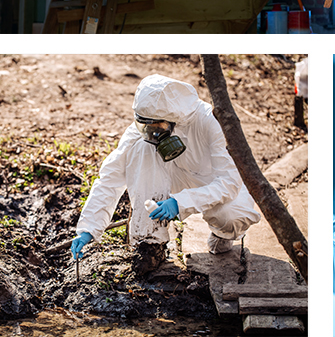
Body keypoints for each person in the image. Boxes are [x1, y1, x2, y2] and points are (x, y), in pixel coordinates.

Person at [70, 74, 261, 273]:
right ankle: (150, 243)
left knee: (231, 217)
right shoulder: (149, 122)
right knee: (141, 148)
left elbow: (230, 181)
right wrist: (88, 229)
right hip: (173, 176)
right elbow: (110, 176)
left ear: (174, 120)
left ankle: (222, 235)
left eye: (156, 127)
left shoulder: (209, 121)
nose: (149, 131)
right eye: (144, 125)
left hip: (213, 182)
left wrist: (181, 202)